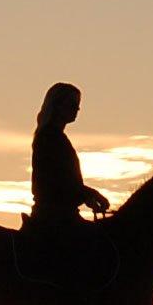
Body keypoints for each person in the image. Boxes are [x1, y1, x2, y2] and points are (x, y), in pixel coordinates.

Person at [29, 82, 110, 224]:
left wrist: (86, 195)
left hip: (59, 215)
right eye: (72, 103)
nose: (77, 108)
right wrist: (90, 194)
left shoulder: (53, 136)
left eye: (77, 104)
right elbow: (59, 182)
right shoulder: (50, 138)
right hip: (55, 218)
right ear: (57, 105)